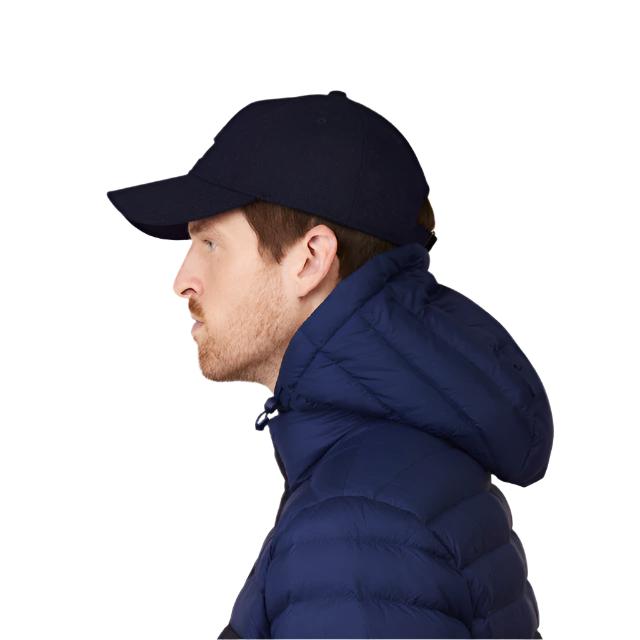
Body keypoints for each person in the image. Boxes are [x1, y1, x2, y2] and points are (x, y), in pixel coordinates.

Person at [106, 90, 553, 639]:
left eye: (211, 244)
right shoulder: (392, 471)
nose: (183, 282)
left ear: (311, 259)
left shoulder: (356, 530)